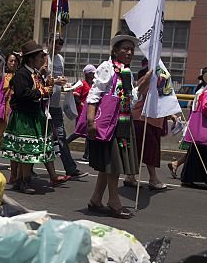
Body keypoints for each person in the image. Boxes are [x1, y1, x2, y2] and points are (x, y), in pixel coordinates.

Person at [85, 33, 141, 219]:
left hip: (122, 121)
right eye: (125, 48)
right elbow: (94, 94)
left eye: (131, 49)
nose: (129, 52)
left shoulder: (126, 72)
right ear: (115, 50)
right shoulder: (107, 67)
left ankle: (95, 199)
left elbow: (130, 98)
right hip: (109, 123)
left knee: (108, 163)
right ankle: (114, 201)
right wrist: (91, 121)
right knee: (113, 164)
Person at [2, 40, 66, 193]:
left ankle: (21, 179)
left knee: (33, 149)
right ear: (31, 59)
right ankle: (24, 181)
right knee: (26, 150)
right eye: (39, 57)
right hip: (24, 117)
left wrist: (47, 86)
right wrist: (42, 92)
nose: (42, 60)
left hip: (34, 114)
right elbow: (22, 93)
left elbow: (39, 89)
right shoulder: (21, 74)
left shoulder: (34, 74)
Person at [132, 61, 174, 192]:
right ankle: (152, 178)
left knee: (145, 150)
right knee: (147, 150)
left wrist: (171, 115)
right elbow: (140, 93)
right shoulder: (145, 81)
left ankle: (131, 176)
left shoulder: (161, 83)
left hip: (154, 121)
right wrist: (148, 78)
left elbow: (164, 100)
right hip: (142, 119)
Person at [48, 35, 80, 178]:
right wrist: (55, 81)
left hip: (56, 104)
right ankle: (26, 170)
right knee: (42, 137)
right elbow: (41, 79)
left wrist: (65, 84)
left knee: (61, 136)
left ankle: (70, 168)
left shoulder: (60, 59)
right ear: (49, 42)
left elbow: (60, 77)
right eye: (56, 43)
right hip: (44, 103)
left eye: (61, 43)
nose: (58, 46)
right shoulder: (43, 57)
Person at [0, 51, 18, 158]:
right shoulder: (2, 76)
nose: (13, 63)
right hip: (2, 108)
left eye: (15, 61)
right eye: (11, 61)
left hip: (14, 109)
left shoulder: (20, 76)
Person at [65, 63, 96, 160]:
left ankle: (86, 155)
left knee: (87, 133)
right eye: (92, 73)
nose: (94, 75)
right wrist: (81, 104)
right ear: (88, 74)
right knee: (79, 132)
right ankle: (63, 144)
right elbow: (76, 96)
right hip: (81, 112)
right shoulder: (82, 84)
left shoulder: (93, 84)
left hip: (88, 112)